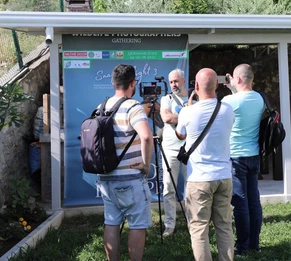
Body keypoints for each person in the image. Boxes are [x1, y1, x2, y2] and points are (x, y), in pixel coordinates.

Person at [95, 64, 154, 261]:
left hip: (106, 177)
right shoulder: (132, 106)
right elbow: (146, 137)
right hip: (130, 177)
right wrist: (146, 165)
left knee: (111, 222)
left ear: (113, 83)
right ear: (133, 83)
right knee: (137, 224)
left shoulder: (101, 108)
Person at [175, 68, 235, 261]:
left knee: (199, 228)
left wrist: (189, 107)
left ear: (196, 86)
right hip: (224, 176)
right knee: (224, 226)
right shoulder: (227, 110)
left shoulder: (187, 112)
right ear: (217, 85)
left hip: (199, 179)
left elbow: (180, 134)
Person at [222, 64, 265, 256]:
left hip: (235, 157)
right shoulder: (260, 98)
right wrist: (234, 88)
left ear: (237, 79)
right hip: (254, 155)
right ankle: (255, 244)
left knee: (240, 203)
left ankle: (242, 246)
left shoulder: (229, 101)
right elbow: (243, 101)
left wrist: (231, 90)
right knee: (253, 200)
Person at [159, 69, 189, 237]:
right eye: (171, 82)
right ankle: (169, 225)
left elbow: (198, 119)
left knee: (191, 188)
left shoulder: (195, 98)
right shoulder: (166, 99)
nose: (173, 85)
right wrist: (187, 116)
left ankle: (193, 221)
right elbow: (166, 118)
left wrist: (176, 116)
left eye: (176, 81)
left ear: (184, 81)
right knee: (169, 188)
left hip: (190, 150)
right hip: (170, 149)